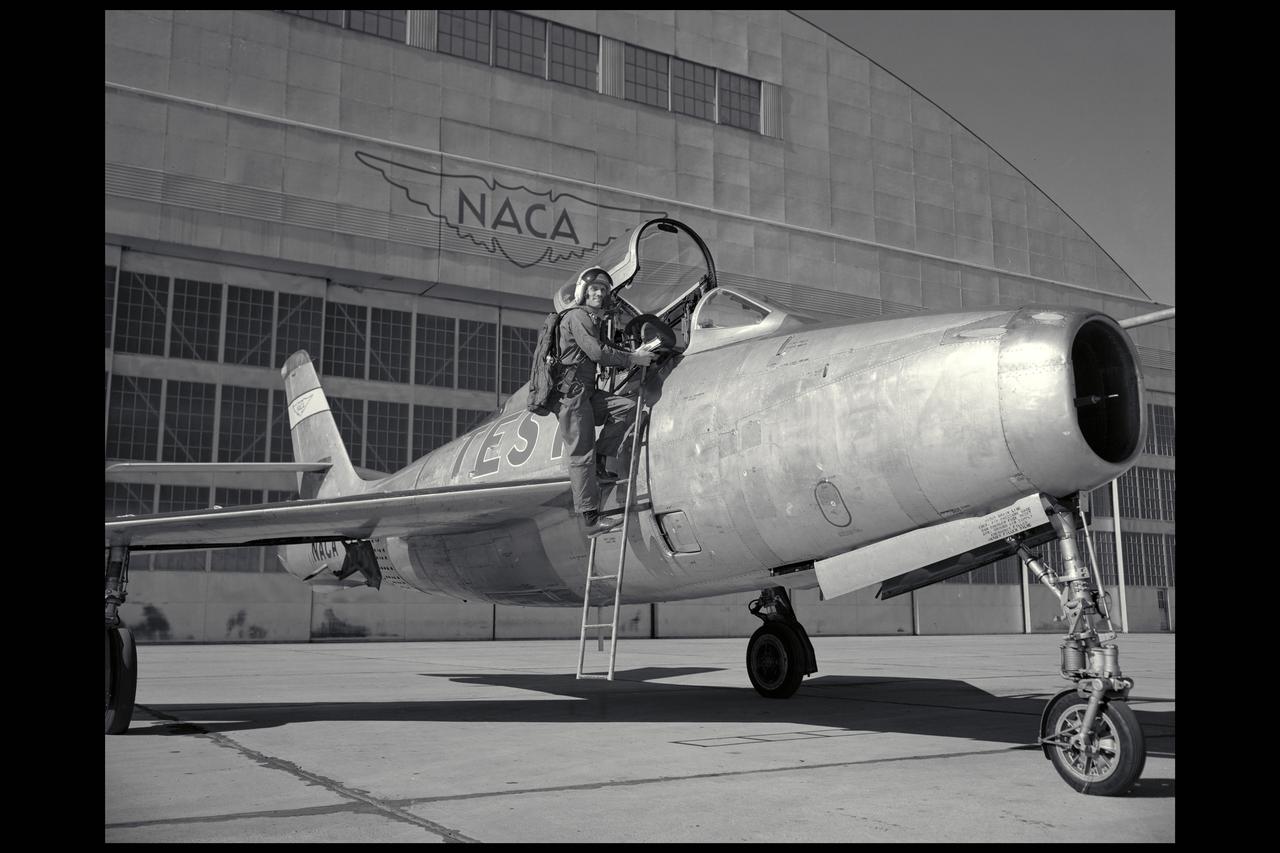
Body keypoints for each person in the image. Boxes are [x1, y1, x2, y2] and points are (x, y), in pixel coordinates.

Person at [556, 268, 656, 535]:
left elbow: (609, 347)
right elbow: (597, 352)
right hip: (573, 396)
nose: (598, 293)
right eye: (593, 289)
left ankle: (601, 460)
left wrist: (634, 353)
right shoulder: (577, 317)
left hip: (588, 393)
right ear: (582, 292)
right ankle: (589, 519)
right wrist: (633, 359)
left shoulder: (593, 320)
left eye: (602, 290)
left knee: (627, 408)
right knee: (581, 456)